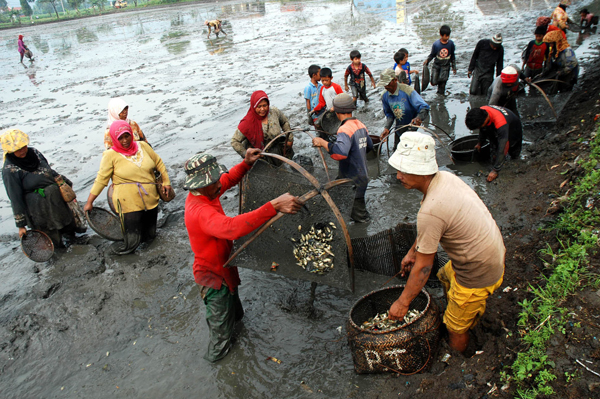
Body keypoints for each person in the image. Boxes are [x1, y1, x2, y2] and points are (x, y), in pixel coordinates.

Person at [387, 131, 505, 354]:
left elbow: (424, 267)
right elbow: (429, 236)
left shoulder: (431, 211)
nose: (398, 176)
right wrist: (413, 252)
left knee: (454, 327)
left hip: (480, 271)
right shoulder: (445, 178)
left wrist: (402, 303)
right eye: (398, 169)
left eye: (405, 170)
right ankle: (459, 308)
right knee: (443, 275)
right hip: (491, 252)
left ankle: (458, 358)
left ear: (422, 172)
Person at [184, 148, 303, 362]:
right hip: (213, 278)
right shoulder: (199, 211)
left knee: (236, 315)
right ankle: (217, 362)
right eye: (215, 181)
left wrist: (246, 163)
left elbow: (227, 179)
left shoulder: (208, 191)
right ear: (201, 185)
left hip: (227, 268)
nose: (220, 184)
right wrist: (273, 206)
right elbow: (231, 228)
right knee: (221, 334)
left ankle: (236, 331)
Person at [84, 120, 172, 254]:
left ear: (131, 134)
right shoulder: (110, 155)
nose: (124, 140)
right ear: (114, 139)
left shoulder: (143, 146)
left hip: (150, 198)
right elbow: (101, 179)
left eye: (127, 136)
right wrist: (90, 201)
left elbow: (158, 162)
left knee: (150, 234)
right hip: (128, 202)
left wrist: (166, 182)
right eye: (120, 138)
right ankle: (124, 253)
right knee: (132, 239)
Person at [2, 129, 78, 247]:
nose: (22, 151)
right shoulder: (9, 170)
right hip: (37, 206)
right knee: (51, 235)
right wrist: (21, 225)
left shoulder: (34, 153)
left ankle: (72, 239)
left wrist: (65, 184)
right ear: (11, 151)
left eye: (23, 147)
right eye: (18, 150)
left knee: (67, 224)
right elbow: (15, 197)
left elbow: (48, 170)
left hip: (55, 197)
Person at [311, 94, 373, 223]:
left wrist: (323, 142)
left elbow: (340, 153)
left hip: (352, 179)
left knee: (359, 214)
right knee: (344, 198)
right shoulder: (361, 125)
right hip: (362, 175)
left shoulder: (344, 129)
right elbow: (369, 146)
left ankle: (363, 230)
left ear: (337, 112)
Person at [231, 90, 293, 166]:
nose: (262, 109)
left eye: (265, 105)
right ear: (254, 106)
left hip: (277, 150)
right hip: (260, 157)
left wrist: (290, 139)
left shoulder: (274, 112)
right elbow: (234, 141)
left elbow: (284, 122)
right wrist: (247, 155)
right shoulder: (247, 122)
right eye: (259, 107)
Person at [465, 106, 523, 182]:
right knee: (494, 150)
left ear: (485, 119)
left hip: (513, 127)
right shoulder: (481, 111)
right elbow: (482, 130)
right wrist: (480, 143)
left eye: (480, 126)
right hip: (493, 124)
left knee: (513, 152)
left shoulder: (501, 123)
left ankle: (512, 162)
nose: (479, 128)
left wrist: (495, 170)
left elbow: (504, 147)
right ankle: (497, 158)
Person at [378, 69, 430, 151]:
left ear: (395, 80)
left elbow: (424, 107)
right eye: (384, 84)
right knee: (397, 150)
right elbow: (389, 115)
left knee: (411, 150)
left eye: (387, 83)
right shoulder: (385, 96)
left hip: (412, 127)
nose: (386, 86)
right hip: (399, 128)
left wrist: (419, 118)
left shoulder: (407, 91)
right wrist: (387, 128)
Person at [424, 25, 457, 95]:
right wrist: (427, 61)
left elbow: (453, 56)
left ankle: (441, 94)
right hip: (437, 65)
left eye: (448, 36)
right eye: (446, 36)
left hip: (446, 66)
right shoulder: (436, 44)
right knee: (433, 82)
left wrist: (454, 67)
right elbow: (432, 54)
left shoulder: (451, 44)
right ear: (441, 35)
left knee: (443, 82)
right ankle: (438, 84)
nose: (447, 37)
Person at [312, 68, 344, 133]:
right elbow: (322, 103)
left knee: (339, 127)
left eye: (326, 80)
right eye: (322, 81)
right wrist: (314, 110)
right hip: (329, 111)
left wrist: (335, 107)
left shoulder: (336, 87)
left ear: (331, 78)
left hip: (338, 111)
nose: (324, 82)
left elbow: (343, 99)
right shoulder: (322, 89)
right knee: (317, 123)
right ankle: (325, 138)